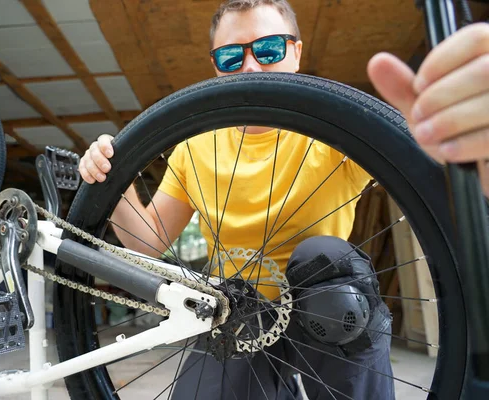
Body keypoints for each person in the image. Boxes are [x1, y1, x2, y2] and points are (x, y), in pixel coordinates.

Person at [79, 1, 489, 398]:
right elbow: (145, 243)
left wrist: (462, 141)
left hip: (329, 307)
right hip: (238, 313)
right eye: (230, 58)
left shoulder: (334, 131)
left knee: (322, 257)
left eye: (269, 49)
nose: (252, 67)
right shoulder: (195, 146)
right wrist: (112, 179)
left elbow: (431, 178)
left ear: (295, 53)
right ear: (216, 68)